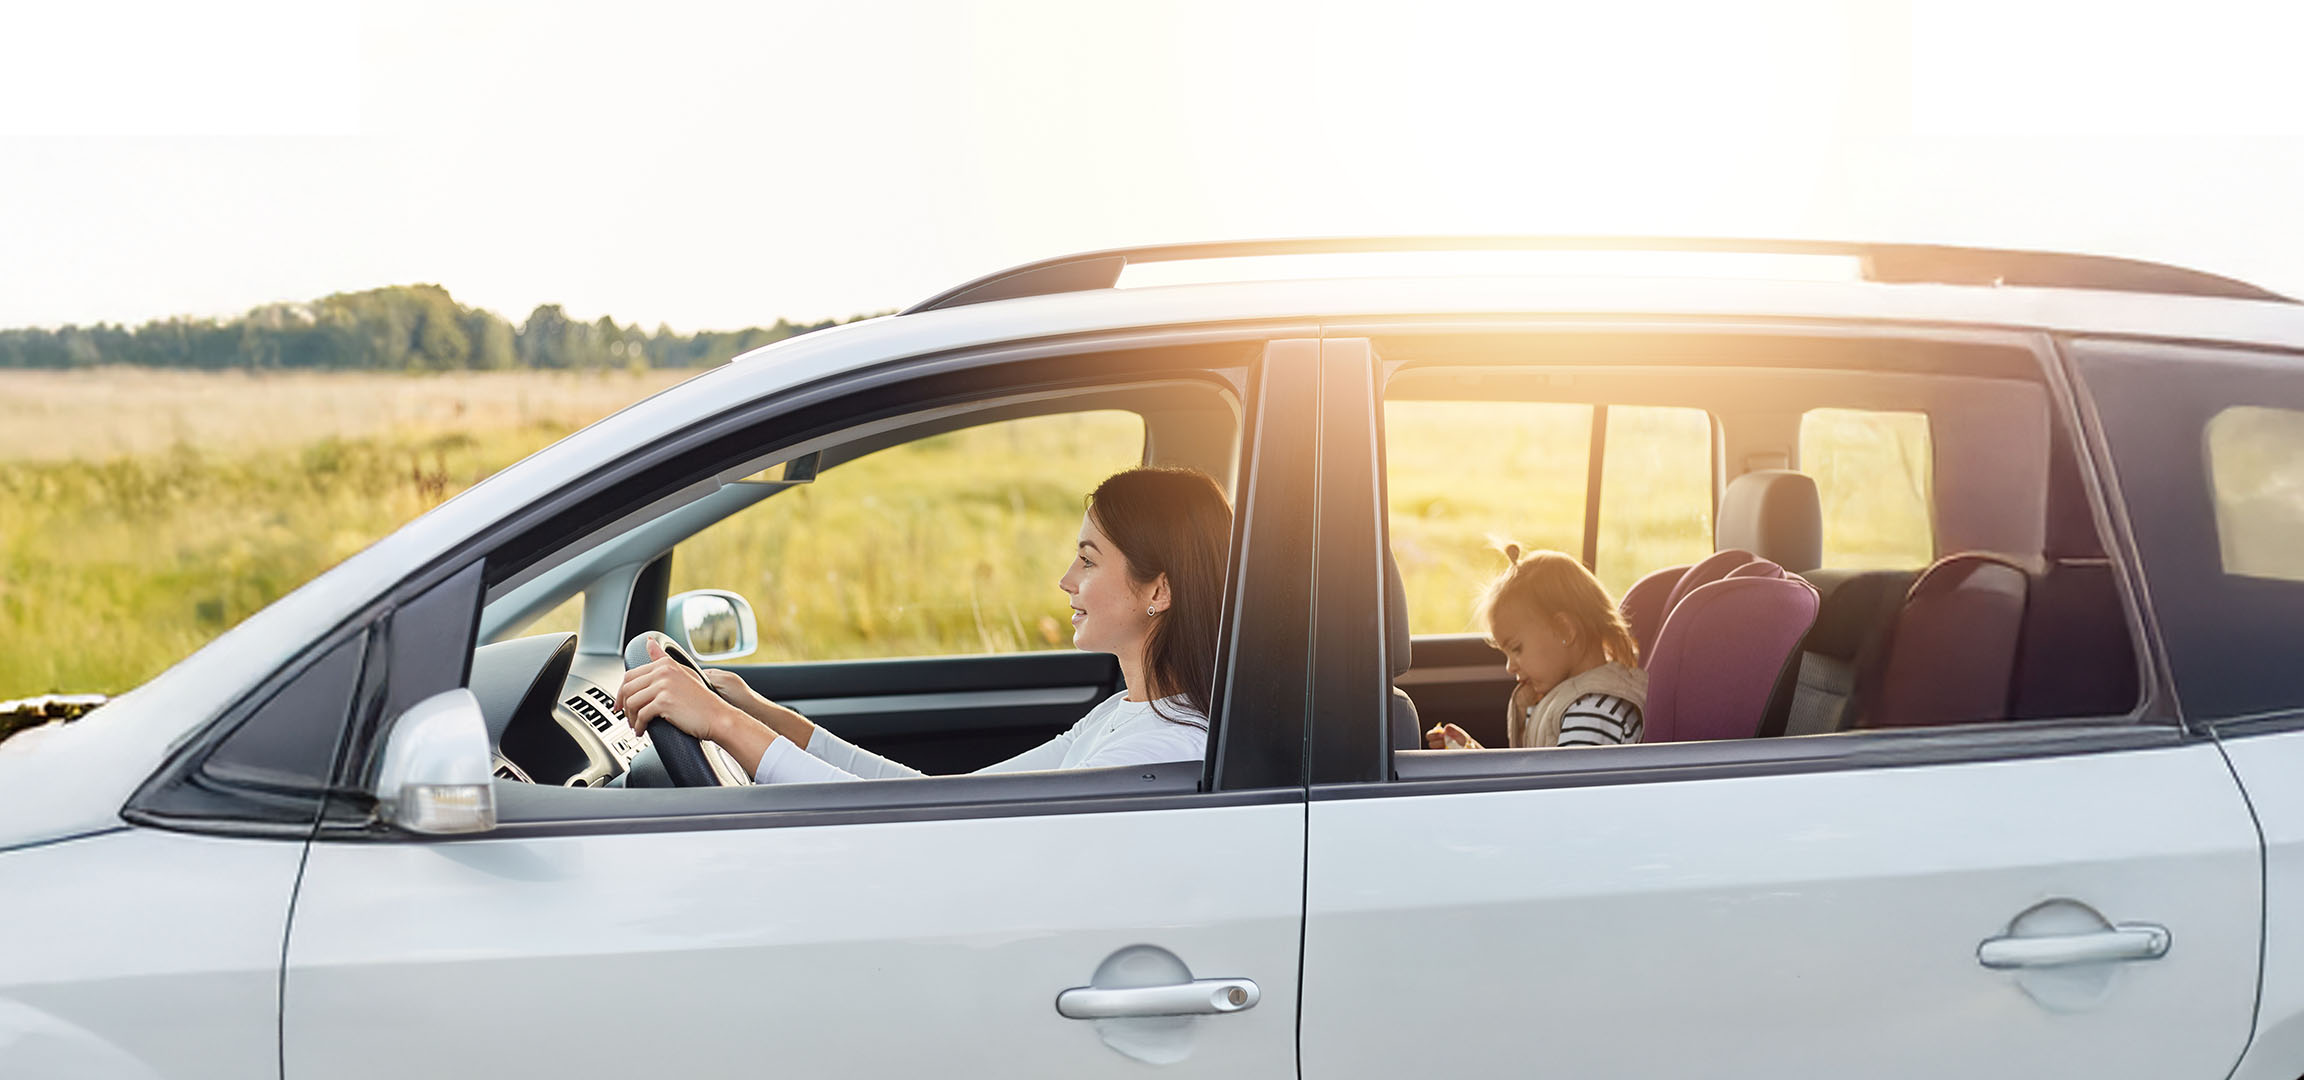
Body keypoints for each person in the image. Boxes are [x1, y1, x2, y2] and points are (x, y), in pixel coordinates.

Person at [618, 466, 1232, 783]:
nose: (1065, 580)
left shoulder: (1156, 749)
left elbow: (919, 828)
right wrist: (761, 712)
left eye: (1088, 561)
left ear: (1159, 590)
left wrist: (723, 724)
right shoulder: (1125, 715)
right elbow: (937, 794)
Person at [1426, 545, 1647, 750]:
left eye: (1517, 649)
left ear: (1564, 631)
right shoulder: (1568, 701)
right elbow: (1532, 774)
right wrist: (1472, 753)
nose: (1510, 667)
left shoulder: (1593, 714)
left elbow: (1564, 782)